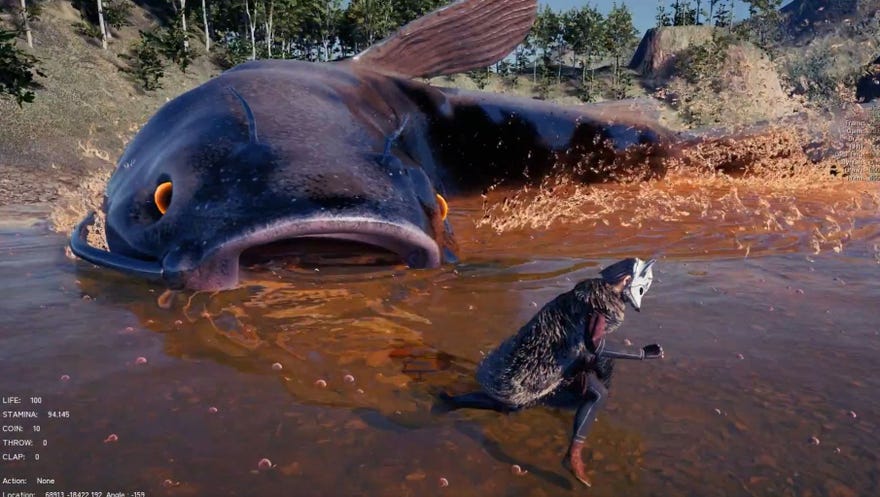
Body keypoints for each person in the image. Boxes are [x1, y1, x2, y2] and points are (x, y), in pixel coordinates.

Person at [438, 257, 664, 487]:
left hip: (547, 355)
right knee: (511, 404)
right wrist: (641, 354)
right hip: (541, 364)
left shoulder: (589, 291)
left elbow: (584, 339)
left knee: (595, 393)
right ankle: (454, 402)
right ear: (627, 280)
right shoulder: (602, 305)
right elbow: (596, 344)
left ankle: (572, 454)